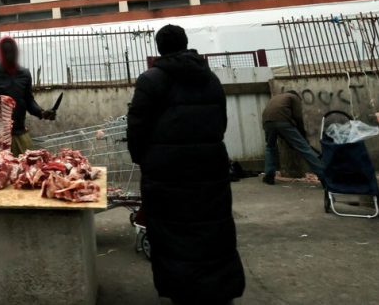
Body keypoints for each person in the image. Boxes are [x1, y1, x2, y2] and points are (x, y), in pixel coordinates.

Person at [127, 24, 245, 305]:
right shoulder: (211, 79)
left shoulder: (151, 80)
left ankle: (183, 292)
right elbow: (221, 122)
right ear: (185, 43)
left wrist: (144, 159)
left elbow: (137, 129)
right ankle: (219, 289)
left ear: (158, 48)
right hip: (209, 167)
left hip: (166, 171)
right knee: (211, 228)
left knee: (173, 233)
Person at [0, 36, 56, 155]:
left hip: (20, 134)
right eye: (6, 52)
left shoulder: (24, 74)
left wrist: (42, 112)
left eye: (12, 51)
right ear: (0, 53)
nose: (9, 55)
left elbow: (29, 101)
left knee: (27, 170)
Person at [262, 91, 325, 185]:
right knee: (304, 148)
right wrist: (302, 135)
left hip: (267, 121)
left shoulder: (277, 97)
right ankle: (324, 176)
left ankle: (269, 175)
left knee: (270, 147)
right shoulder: (294, 98)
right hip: (282, 120)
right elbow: (298, 117)